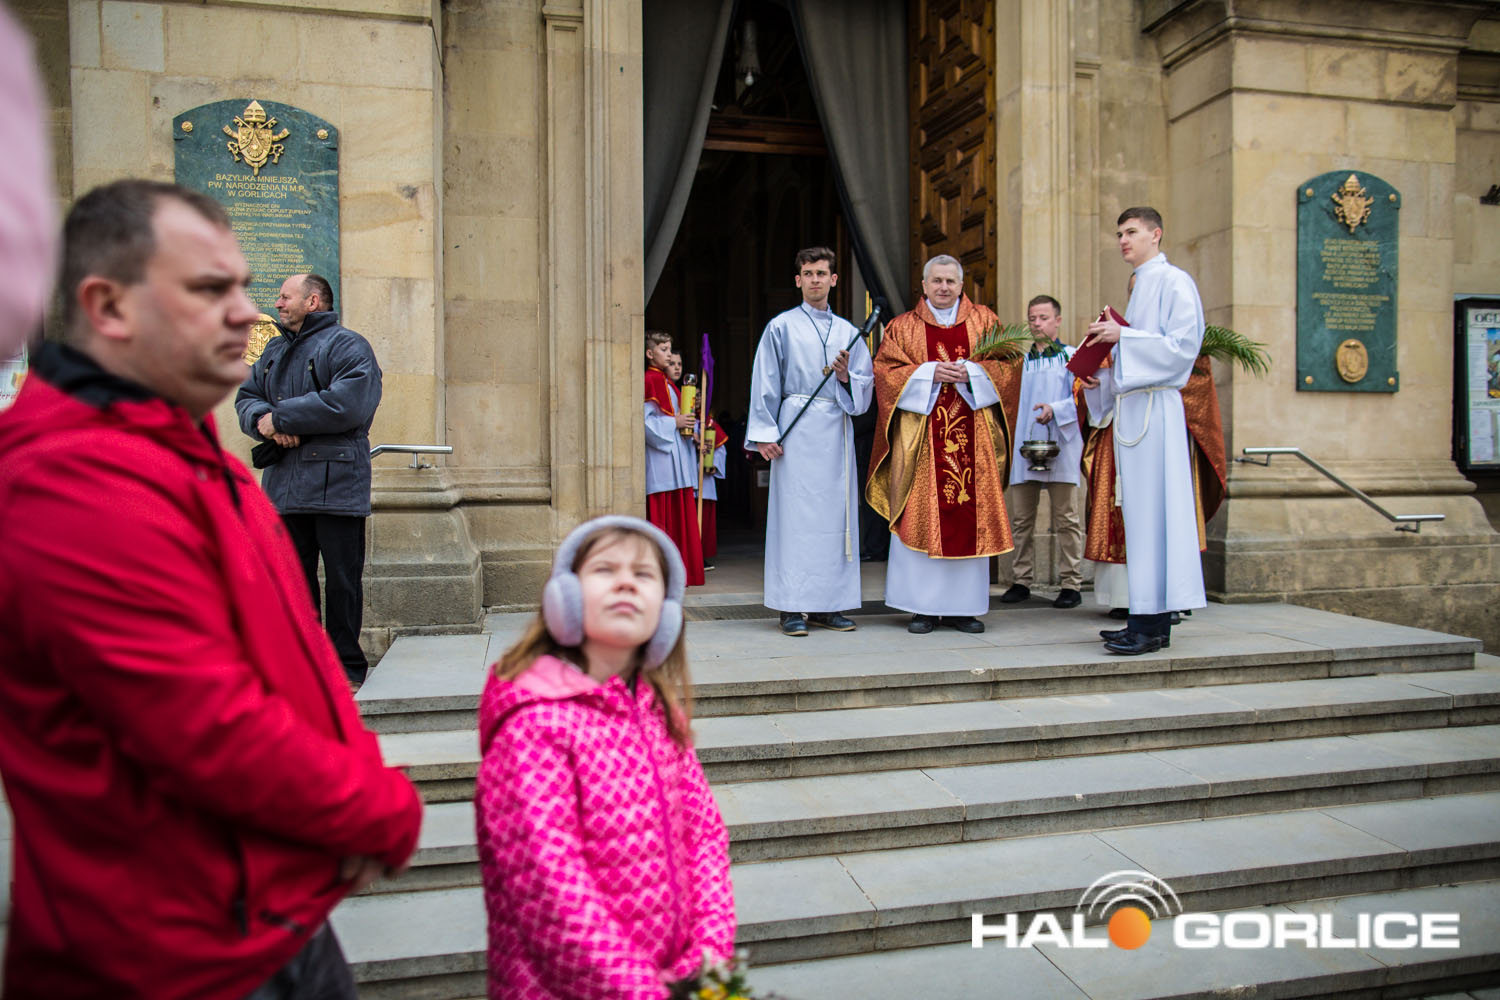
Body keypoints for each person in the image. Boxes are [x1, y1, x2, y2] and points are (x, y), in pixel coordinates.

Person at [0, 179, 422, 998]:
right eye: (210, 288)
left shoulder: (183, 458)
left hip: (266, 914)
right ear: (108, 306)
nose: (246, 312)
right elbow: (204, 724)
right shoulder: (72, 479)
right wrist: (376, 807)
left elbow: (285, 666)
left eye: (248, 287)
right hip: (171, 954)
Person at [475, 516, 735, 998]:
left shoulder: (659, 713)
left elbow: (704, 837)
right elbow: (550, 888)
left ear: (667, 611)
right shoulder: (536, 725)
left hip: (673, 976)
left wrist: (709, 955)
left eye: (643, 574)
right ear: (565, 598)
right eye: (605, 570)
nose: (625, 583)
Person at [235, 273, 383, 686]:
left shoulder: (348, 346)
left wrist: (280, 417)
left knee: (342, 584)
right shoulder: (274, 350)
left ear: (313, 301)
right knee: (291, 585)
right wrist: (264, 421)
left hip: (338, 486)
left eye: (286, 297)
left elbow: (348, 404)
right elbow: (247, 399)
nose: (277, 304)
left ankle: (345, 667)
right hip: (284, 486)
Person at [866, 254, 1020, 634]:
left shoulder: (985, 322)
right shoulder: (903, 327)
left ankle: (962, 609)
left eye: (950, 281)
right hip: (922, 444)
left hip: (973, 441)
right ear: (924, 285)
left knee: (968, 517)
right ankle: (922, 608)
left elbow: (1010, 365)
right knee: (920, 519)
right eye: (936, 281)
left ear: (962, 285)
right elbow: (884, 373)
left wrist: (973, 373)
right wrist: (928, 373)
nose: (944, 287)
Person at [1081, 206, 1208, 654]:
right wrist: (1103, 375)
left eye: (1131, 231)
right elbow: (1135, 356)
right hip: (1134, 409)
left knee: (1157, 516)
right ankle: (1143, 618)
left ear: (1156, 234)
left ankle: (1152, 627)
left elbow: (1183, 348)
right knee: (1139, 519)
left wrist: (1124, 338)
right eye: (1120, 233)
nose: (1123, 240)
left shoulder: (1174, 281)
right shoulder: (1140, 286)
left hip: (1157, 409)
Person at [745, 247, 874, 636]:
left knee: (835, 520)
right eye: (808, 273)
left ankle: (827, 606)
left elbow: (864, 389)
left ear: (833, 280)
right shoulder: (781, 326)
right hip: (795, 431)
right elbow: (765, 379)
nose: (815, 279)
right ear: (798, 280)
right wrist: (765, 434)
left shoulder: (849, 332)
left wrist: (845, 376)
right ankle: (791, 606)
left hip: (835, 430)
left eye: (821, 273)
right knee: (794, 521)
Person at [999, 294, 1085, 610]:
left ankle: (1071, 583)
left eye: (1044, 318)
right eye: (1032, 318)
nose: (1037, 324)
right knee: (1022, 519)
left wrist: (1056, 409)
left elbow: (1082, 399)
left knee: (1067, 518)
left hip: (1061, 445)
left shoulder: (1072, 358)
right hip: (1026, 445)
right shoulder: (1018, 365)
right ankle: (1021, 580)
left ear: (1058, 320)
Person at [644, 331, 705, 586]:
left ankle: (682, 574)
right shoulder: (649, 380)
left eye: (670, 349)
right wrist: (675, 423)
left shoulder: (668, 383)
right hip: (661, 463)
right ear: (650, 354)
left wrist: (691, 428)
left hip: (676, 461)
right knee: (665, 520)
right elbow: (645, 423)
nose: (669, 355)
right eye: (664, 350)